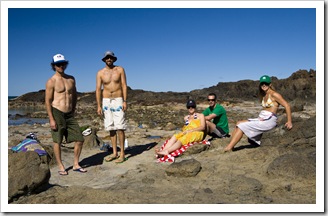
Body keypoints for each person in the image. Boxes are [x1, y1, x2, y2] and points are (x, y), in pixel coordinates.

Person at [223, 75, 293, 152]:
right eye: (262, 83)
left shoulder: (274, 94)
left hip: (268, 120)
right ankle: (231, 146)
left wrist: (289, 121)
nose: (264, 85)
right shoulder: (263, 95)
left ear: (270, 84)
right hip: (262, 118)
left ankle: (229, 148)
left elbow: (287, 105)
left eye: (266, 83)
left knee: (241, 126)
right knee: (238, 122)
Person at [45, 54, 86, 175]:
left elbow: (74, 95)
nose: (61, 66)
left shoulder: (71, 79)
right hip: (57, 112)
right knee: (57, 140)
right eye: (58, 64)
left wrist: (73, 109)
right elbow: (47, 101)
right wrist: (51, 119)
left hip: (69, 113)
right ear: (54, 66)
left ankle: (75, 164)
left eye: (63, 63)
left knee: (79, 139)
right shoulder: (51, 81)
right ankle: (60, 165)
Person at [96, 50, 128, 163]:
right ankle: (114, 152)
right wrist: (99, 105)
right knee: (111, 128)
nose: (109, 59)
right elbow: (98, 89)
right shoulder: (100, 73)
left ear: (114, 59)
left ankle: (122, 154)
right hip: (106, 101)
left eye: (110, 57)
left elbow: (124, 85)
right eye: (107, 58)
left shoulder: (120, 70)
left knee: (120, 127)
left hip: (118, 99)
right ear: (104, 60)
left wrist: (125, 101)